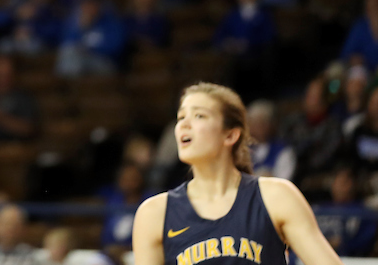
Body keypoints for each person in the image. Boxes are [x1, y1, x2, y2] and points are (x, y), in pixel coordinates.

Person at [132, 83, 343, 265]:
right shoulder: (154, 214)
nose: (184, 125)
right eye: (181, 117)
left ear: (231, 135)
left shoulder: (276, 197)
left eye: (199, 115)